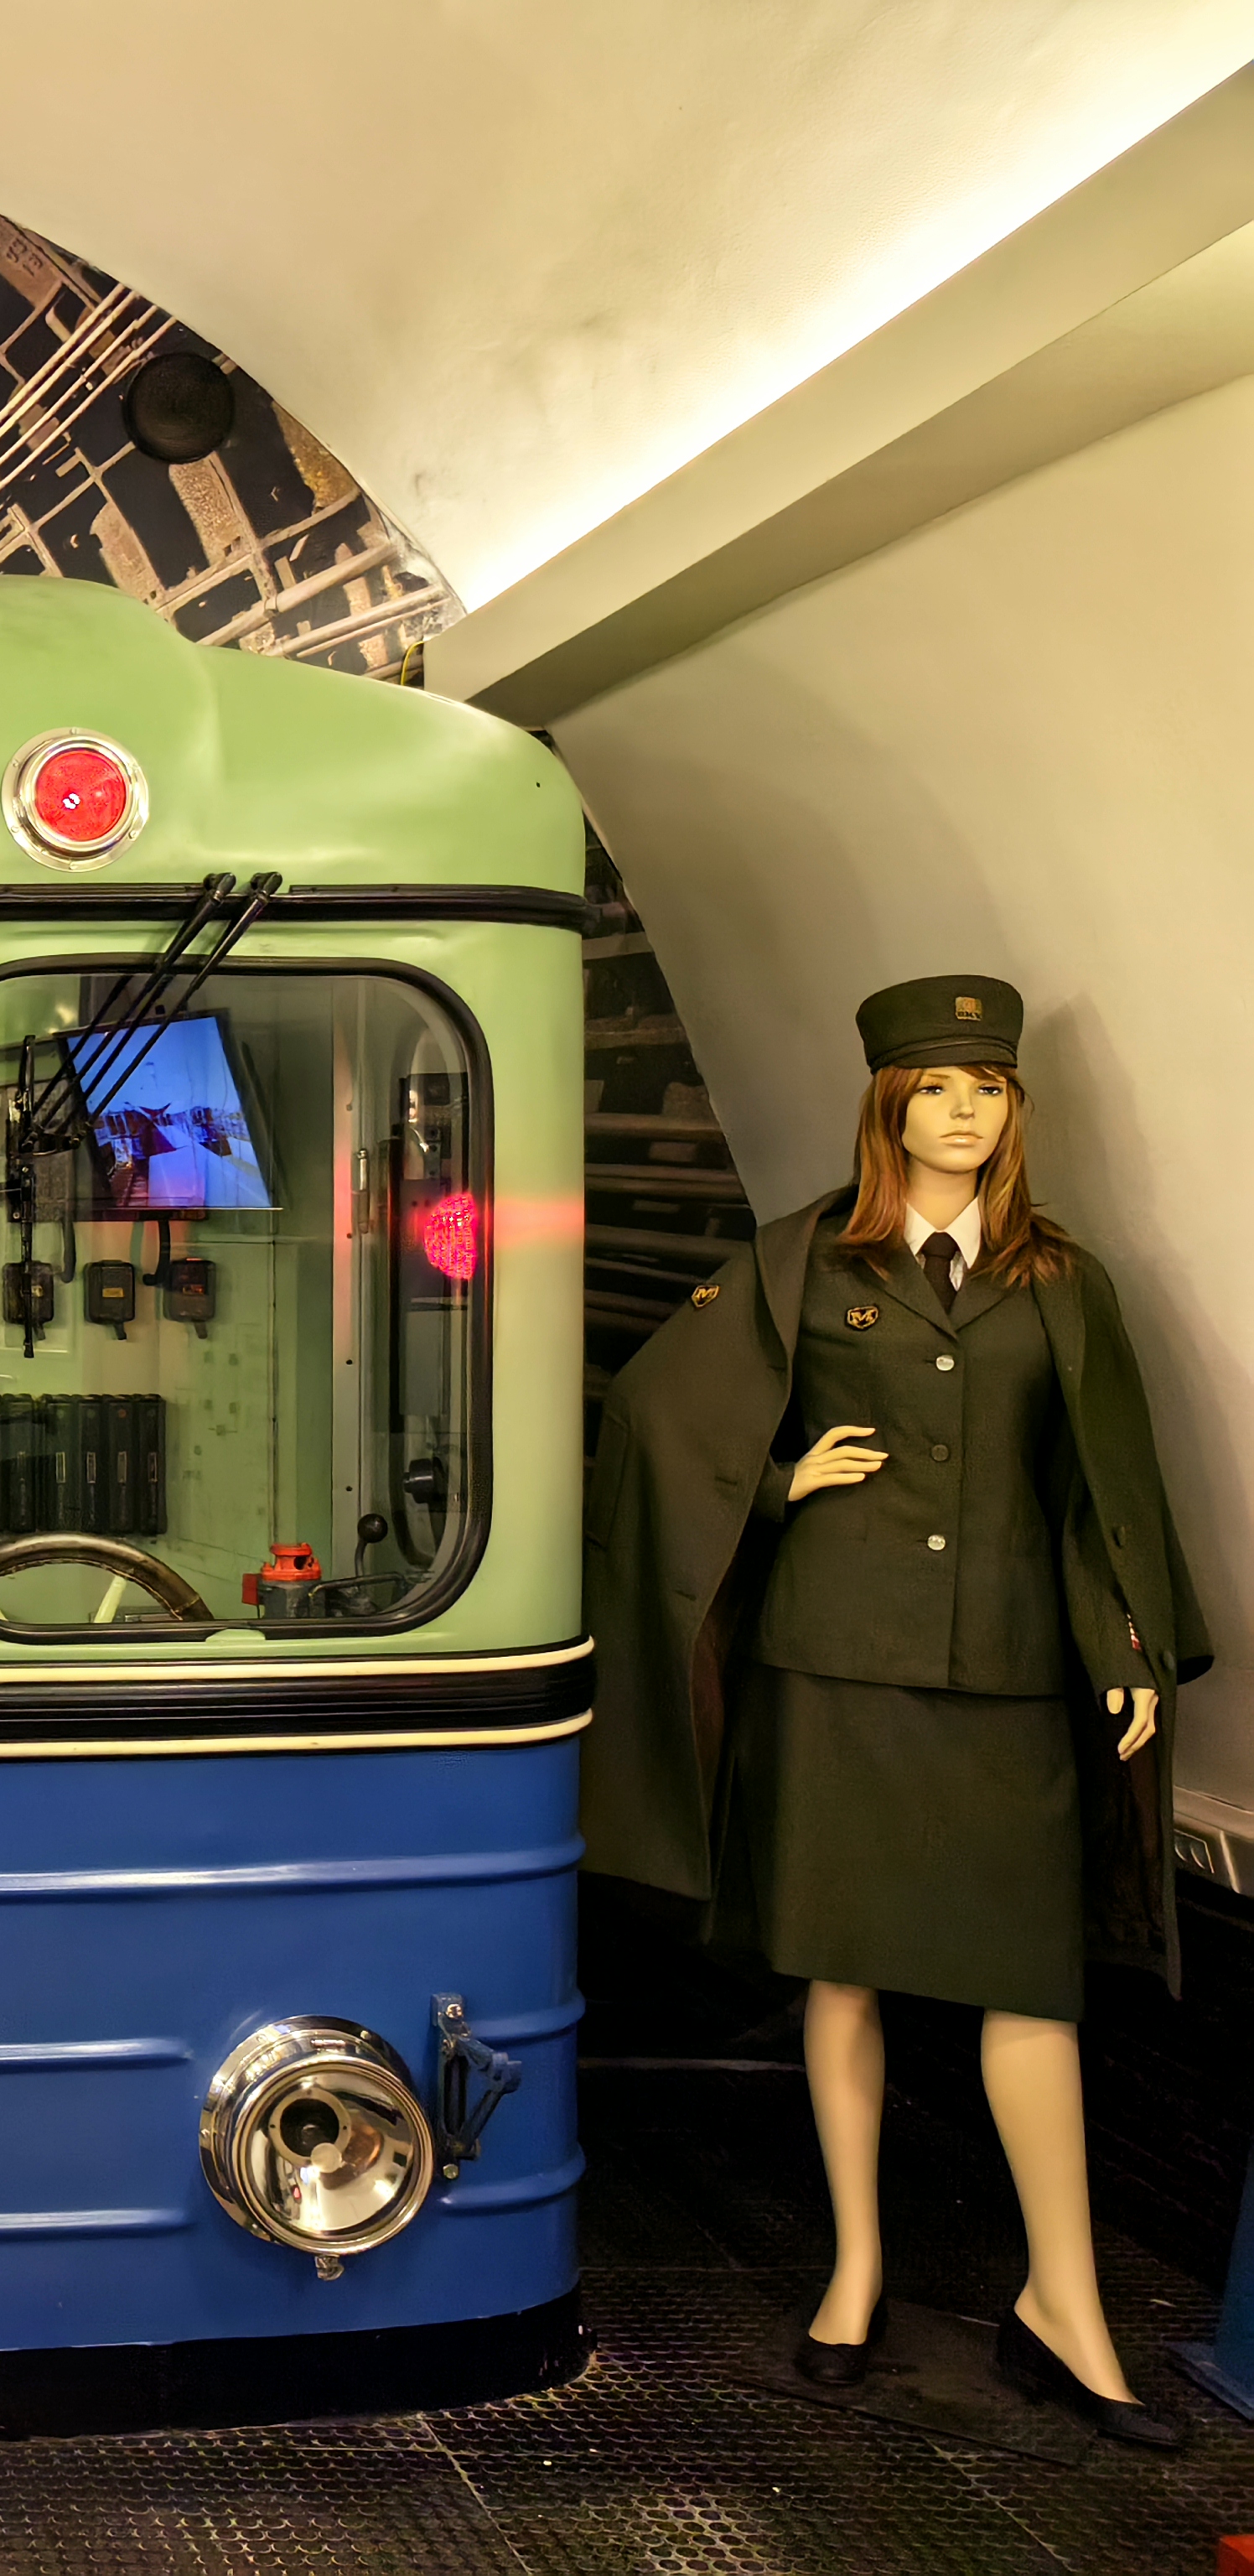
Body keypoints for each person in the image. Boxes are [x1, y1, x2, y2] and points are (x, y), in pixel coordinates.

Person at [583, 975, 1205, 2450]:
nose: (965, 1110)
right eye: (937, 1086)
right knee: (844, 1976)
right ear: (890, 1107)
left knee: (1032, 1991)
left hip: (1009, 1675)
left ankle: (1067, 2304)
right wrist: (779, 1484)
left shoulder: (1064, 1280)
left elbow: (1100, 1488)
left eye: (988, 1087)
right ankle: (854, 2274)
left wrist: (1124, 1643)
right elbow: (653, 1414)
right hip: (836, 1668)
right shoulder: (805, 1258)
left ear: (1014, 1110)